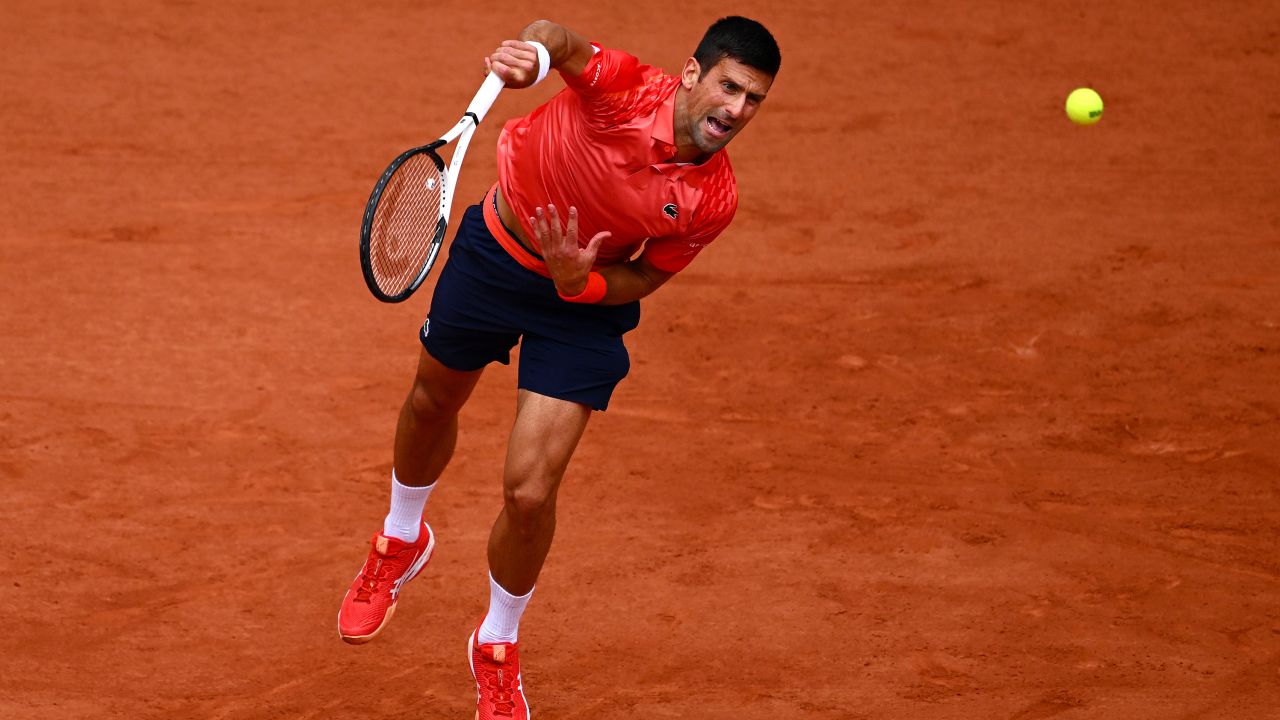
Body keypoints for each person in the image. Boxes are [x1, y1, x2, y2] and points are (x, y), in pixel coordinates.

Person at [338, 16, 780, 719]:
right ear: (694, 75)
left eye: (754, 100)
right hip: (497, 255)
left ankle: (497, 644)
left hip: (583, 302)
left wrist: (582, 286)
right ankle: (401, 537)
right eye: (729, 87)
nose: (737, 110)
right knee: (431, 402)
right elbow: (561, 40)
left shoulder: (713, 199)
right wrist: (534, 56)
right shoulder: (628, 88)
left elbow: (643, 280)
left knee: (531, 494)